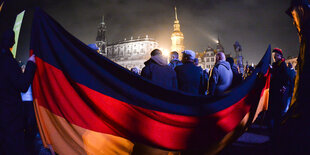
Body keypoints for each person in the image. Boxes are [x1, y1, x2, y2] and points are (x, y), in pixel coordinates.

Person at [0, 29, 36, 155]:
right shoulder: (8, 62)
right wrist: (31, 64)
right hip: (10, 118)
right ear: (13, 42)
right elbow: (23, 85)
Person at [268, 48, 289, 149]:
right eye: (273, 55)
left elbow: (285, 78)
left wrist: (283, 86)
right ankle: (273, 137)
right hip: (274, 94)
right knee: (273, 116)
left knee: (277, 117)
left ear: (280, 56)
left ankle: (276, 139)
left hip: (278, 96)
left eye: (275, 55)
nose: (274, 57)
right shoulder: (277, 65)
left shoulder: (282, 65)